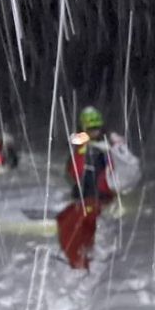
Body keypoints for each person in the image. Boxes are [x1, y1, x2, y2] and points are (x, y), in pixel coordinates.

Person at [57, 106, 115, 269]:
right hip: (86, 195)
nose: (92, 132)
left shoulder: (106, 147)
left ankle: (81, 256)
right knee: (67, 219)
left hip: (98, 197)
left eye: (95, 128)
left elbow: (110, 173)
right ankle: (79, 253)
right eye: (89, 129)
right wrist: (80, 149)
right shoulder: (83, 145)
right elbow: (74, 172)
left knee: (79, 224)